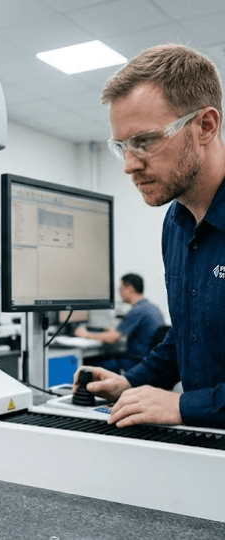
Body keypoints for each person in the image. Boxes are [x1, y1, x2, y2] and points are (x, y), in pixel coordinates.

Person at [74, 44, 225, 430]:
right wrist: (132, 382)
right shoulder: (175, 224)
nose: (128, 165)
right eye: (121, 146)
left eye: (144, 141)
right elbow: (186, 334)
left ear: (206, 126)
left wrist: (183, 407)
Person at [74, 273, 164, 374]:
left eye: (121, 288)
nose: (120, 292)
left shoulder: (138, 310)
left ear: (130, 288)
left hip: (134, 364)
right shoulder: (152, 308)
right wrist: (113, 332)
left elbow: (112, 339)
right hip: (147, 362)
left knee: (87, 364)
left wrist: (86, 334)